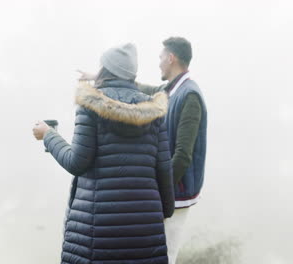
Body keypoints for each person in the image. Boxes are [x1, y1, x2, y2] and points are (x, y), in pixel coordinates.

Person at [32, 43, 174, 264]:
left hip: (96, 233)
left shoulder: (90, 105)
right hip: (146, 228)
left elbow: (77, 162)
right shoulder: (154, 110)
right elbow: (164, 169)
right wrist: (162, 213)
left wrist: (49, 135)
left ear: (105, 70)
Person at [79, 36, 207, 264]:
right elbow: (147, 88)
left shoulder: (190, 96)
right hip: (167, 192)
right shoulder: (172, 89)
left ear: (171, 58)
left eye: (160, 58)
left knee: (167, 255)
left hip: (175, 195)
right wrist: (101, 77)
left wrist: (161, 194)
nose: (158, 63)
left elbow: (183, 155)